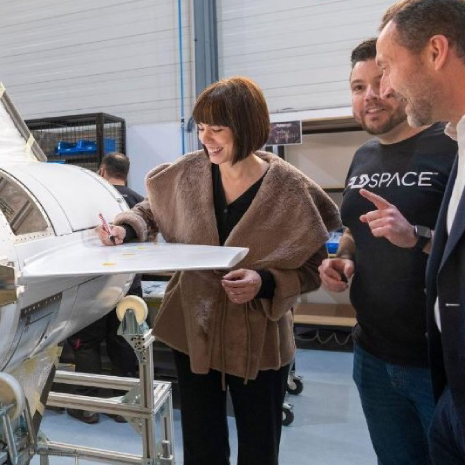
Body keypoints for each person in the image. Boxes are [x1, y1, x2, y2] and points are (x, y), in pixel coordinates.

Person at [96, 77, 341, 465]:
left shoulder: (290, 190)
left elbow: (312, 266)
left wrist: (265, 282)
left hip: (258, 339)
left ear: (246, 127)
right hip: (193, 327)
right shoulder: (188, 172)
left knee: (259, 446)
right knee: (201, 440)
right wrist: (125, 228)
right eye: (201, 127)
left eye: (218, 129)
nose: (206, 138)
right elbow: (150, 210)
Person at [318, 38, 456, 465]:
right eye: (358, 88)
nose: (371, 96)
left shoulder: (451, 145)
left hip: (439, 362)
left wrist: (414, 233)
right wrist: (344, 258)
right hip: (372, 354)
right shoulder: (363, 155)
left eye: (380, 81)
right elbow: (355, 228)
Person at [377, 1, 465, 463]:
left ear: (436, 51)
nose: (385, 86)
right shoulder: (459, 142)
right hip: (451, 390)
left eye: (388, 66)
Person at [66, 153, 143, 425]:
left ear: (101, 170)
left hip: (95, 288)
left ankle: (87, 406)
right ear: (127, 171)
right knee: (124, 344)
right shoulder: (138, 201)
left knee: (87, 344)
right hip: (130, 287)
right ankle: (124, 408)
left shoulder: (89, 199)